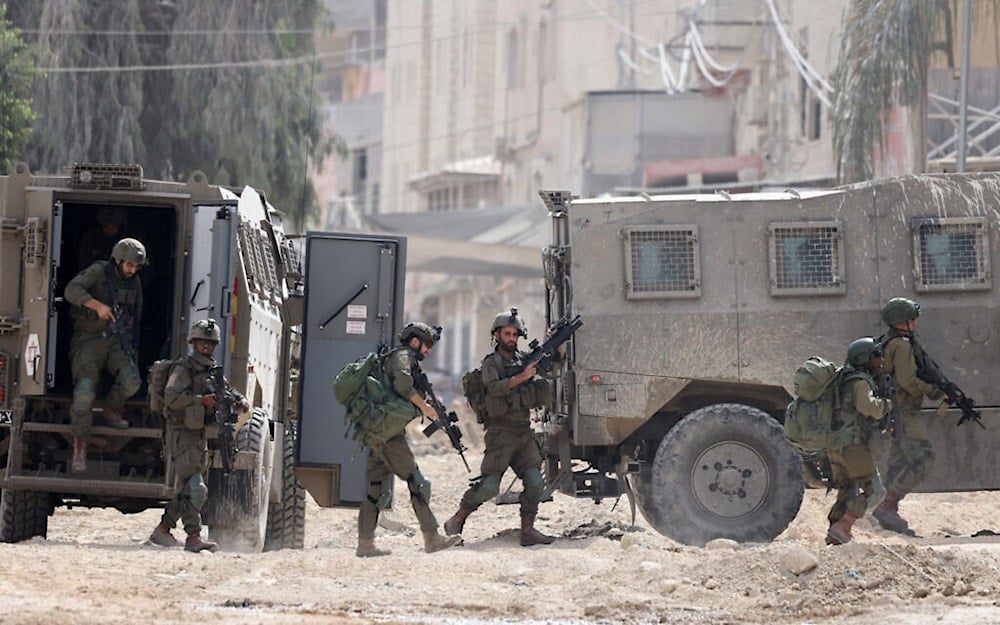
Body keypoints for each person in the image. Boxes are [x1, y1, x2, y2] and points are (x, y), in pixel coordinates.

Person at [444, 308, 563, 547]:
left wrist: (556, 347)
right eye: (506, 334)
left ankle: (527, 531)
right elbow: (494, 387)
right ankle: (457, 519)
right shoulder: (491, 363)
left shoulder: (524, 360)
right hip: (500, 434)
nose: (511, 338)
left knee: (535, 482)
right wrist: (521, 378)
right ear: (496, 335)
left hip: (523, 432)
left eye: (514, 334)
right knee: (489, 486)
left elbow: (551, 367)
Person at [355, 321, 463, 557]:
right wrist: (426, 408)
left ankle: (365, 544)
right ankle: (432, 537)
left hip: (378, 431)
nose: (428, 351)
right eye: (427, 346)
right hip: (388, 434)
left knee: (375, 490)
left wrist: (429, 404)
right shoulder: (403, 356)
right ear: (415, 341)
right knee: (417, 482)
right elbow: (403, 385)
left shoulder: (399, 358)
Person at [149, 318, 249, 553]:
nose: (205, 347)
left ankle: (163, 529)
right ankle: (193, 537)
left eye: (210, 344)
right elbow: (171, 397)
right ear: (193, 343)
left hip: (198, 434)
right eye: (201, 343)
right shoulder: (183, 369)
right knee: (197, 488)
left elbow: (226, 389)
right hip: (181, 433)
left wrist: (239, 399)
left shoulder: (211, 369)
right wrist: (199, 401)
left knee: (187, 487)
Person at [63, 237, 146, 473]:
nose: (133, 270)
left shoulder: (135, 282)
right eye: (130, 265)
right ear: (118, 260)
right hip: (89, 339)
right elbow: (71, 290)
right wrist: (96, 305)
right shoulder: (99, 272)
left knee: (132, 381)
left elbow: (137, 313)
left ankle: (112, 407)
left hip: (117, 340)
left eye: (136, 266)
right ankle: (79, 445)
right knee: (84, 392)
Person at [872, 297, 945, 535]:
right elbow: (908, 381)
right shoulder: (901, 345)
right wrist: (933, 390)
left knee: (898, 462)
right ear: (901, 322)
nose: (915, 323)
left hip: (895, 411)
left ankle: (886, 513)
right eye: (911, 319)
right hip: (905, 412)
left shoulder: (889, 341)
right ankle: (887, 506)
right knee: (923, 459)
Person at [825, 337, 893, 545]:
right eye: (876, 356)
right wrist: (886, 405)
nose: (880, 360)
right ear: (864, 358)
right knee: (876, 491)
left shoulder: (843, 379)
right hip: (852, 445)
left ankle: (834, 532)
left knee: (848, 488)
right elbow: (868, 407)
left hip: (834, 445)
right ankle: (843, 526)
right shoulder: (860, 381)